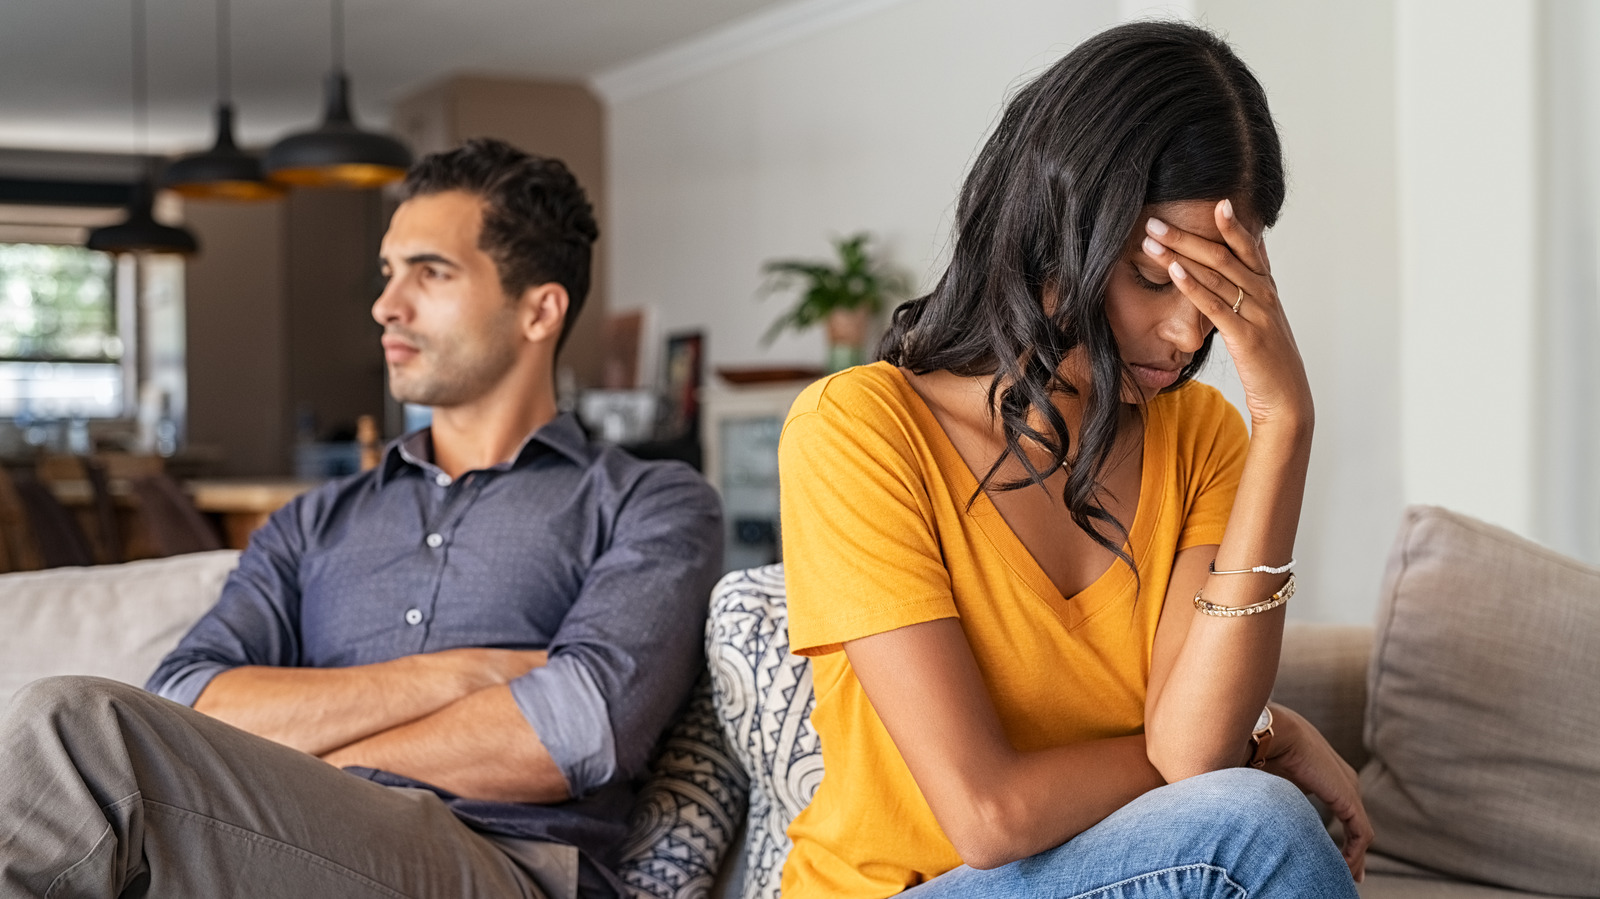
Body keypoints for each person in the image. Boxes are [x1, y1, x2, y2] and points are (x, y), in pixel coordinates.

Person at [0, 139, 723, 899]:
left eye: (430, 272)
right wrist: (465, 673)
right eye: (388, 272)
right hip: (284, 843)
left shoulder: (652, 501)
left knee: (74, 729)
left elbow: (572, 728)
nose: (386, 304)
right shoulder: (313, 522)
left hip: (506, 864)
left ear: (539, 309)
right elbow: (186, 697)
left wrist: (289, 762)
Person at [777, 21, 1370, 899]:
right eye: (1154, 276)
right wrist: (1262, 737)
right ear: (1052, 231)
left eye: (1223, 289)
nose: (1189, 331)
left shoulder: (1202, 435)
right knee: (1259, 825)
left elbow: (1190, 752)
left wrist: (1285, 419)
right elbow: (989, 816)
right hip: (900, 889)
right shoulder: (858, 430)